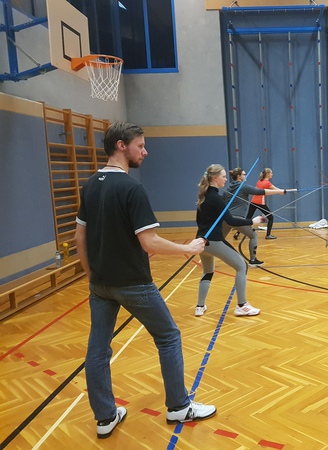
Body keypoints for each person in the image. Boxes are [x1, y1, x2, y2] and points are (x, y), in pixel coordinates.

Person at [74, 122, 216, 440]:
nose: (145, 151)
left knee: (98, 351)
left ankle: (105, 417)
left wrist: (92, 277)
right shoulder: (131, 188)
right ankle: (179, 406)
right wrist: (188, 248)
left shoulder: (90, 185)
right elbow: (149, 242)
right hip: (133, 283)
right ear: (121, 146)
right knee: (168, 337)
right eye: (140, 145)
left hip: (101, 285)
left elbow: (79, 237)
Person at [195, 164, 265, 317]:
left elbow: (198, 221)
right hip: (213, 241)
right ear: (215, 178)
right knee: (242, 266)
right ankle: (242, 305)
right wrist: (252, 221)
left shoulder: (204, 196)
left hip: (201, 242)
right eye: (224, 176)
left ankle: (199, 307)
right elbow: (231, 221)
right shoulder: (216, 199)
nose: (226, 179)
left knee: (208, 271)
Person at [222, 168, 286, 266]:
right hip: (237, 219)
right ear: (239, 176)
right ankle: (253, 259)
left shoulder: (227, 189)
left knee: (218, 240)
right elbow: (260, 192)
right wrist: (278, 192)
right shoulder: (244, 187)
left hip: (226, 219)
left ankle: (207, 256)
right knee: (253, 235)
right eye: (244, 174)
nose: (245, 176)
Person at [246, 168, 282, 239]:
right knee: (270, 217)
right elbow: (277, 190)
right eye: (271, 173)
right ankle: (268, 235)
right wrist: (283, 191)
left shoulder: (259, 181)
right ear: (267, 174)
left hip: (253, 201)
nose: (272, 174)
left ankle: (237, 233)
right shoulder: (267, 183)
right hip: (260, 202)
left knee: (248, 218)